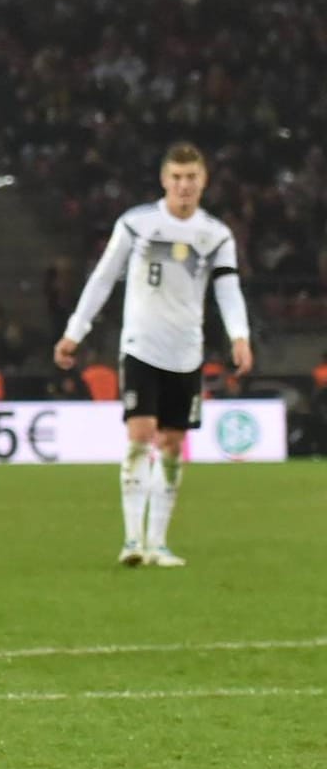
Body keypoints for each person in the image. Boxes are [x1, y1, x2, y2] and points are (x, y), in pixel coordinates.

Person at [55, 142, 252, 568]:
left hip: (187, 352)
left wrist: (240, 335)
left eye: (191, 178)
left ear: (204, 182)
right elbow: (103, 278)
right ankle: (131, 541)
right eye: (177, 178)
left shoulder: (216, 235)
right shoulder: (136, 224)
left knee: (173, 444)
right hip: (142, 346)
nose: (184, 186)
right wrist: (75, 331)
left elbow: (227, 288)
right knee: (139, 436)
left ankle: (159, 543)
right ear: (164, 180)